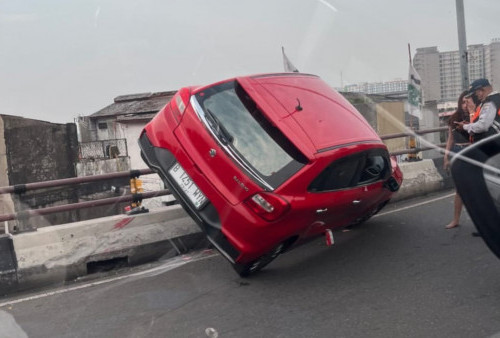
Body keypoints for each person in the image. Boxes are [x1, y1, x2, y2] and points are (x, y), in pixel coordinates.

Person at [443, 90, 471, 229]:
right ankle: (455, 219)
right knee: (459, 189)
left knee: (477, 187)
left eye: (468, 101)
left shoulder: (477, 117)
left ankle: (483, 221)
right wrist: (446, 156)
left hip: (472, 152)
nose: (465, 105)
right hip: (457, 152)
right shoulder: (454, 118)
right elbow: (450, 139)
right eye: (463, 102)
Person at [455, 78, 500, 142]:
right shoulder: (496, 99)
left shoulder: (490, 102)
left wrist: (464, 127)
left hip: (493, 144)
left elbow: (483, 126)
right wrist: (470, 125)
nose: (476, 96)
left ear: (481, 90)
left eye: (476, 93)